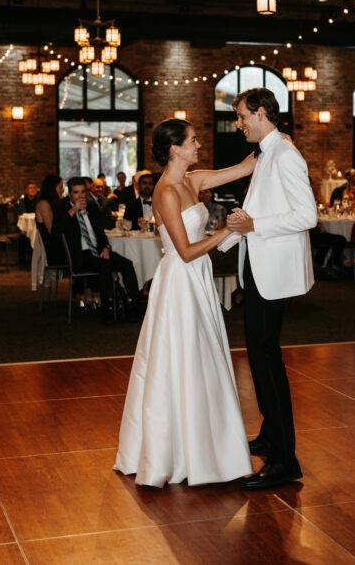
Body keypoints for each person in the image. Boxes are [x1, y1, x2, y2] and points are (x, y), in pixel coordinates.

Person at [114, 118, 257, 487]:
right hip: (180, 282)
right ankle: (176, 452)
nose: (198, 146)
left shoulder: (193, 180)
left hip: (198, 281)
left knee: (204, 358)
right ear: (174, 148)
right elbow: (187, 251)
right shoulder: (166, 191)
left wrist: (271, 137)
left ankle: (206, 447)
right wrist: (229, 229)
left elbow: (245, 167)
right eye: (193, 141)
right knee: (183, 361)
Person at [226, 87, 317, 490]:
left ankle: (285, 460)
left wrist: (254, 226)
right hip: (259, 269)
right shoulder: (269, 151)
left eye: (242, 115)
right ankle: (269, 434)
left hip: (273, 273)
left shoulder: (285, 155)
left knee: (268, 361)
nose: (238, 122)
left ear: (262, 113)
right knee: (259, 357)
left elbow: (307, 215)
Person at [52, 177, 140, 324]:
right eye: (76, 193)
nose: (80, 196)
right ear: (69, 194)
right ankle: (108, 311)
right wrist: (73, 210)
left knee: (126, 264)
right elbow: (55, 231)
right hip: (80, 256)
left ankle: (134, 307)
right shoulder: (63, 207)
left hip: (98, 251)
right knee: (105, 265)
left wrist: (106, 248)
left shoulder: (92, 207)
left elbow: (100, 233)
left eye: (83, 192)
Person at [34, 174, 67, 268]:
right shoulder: (44, 203)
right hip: (53, 249)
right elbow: (52, 230)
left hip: (59, 244)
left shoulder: (56, 202)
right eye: (60, 187)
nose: (63, 190)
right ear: (52, 187)